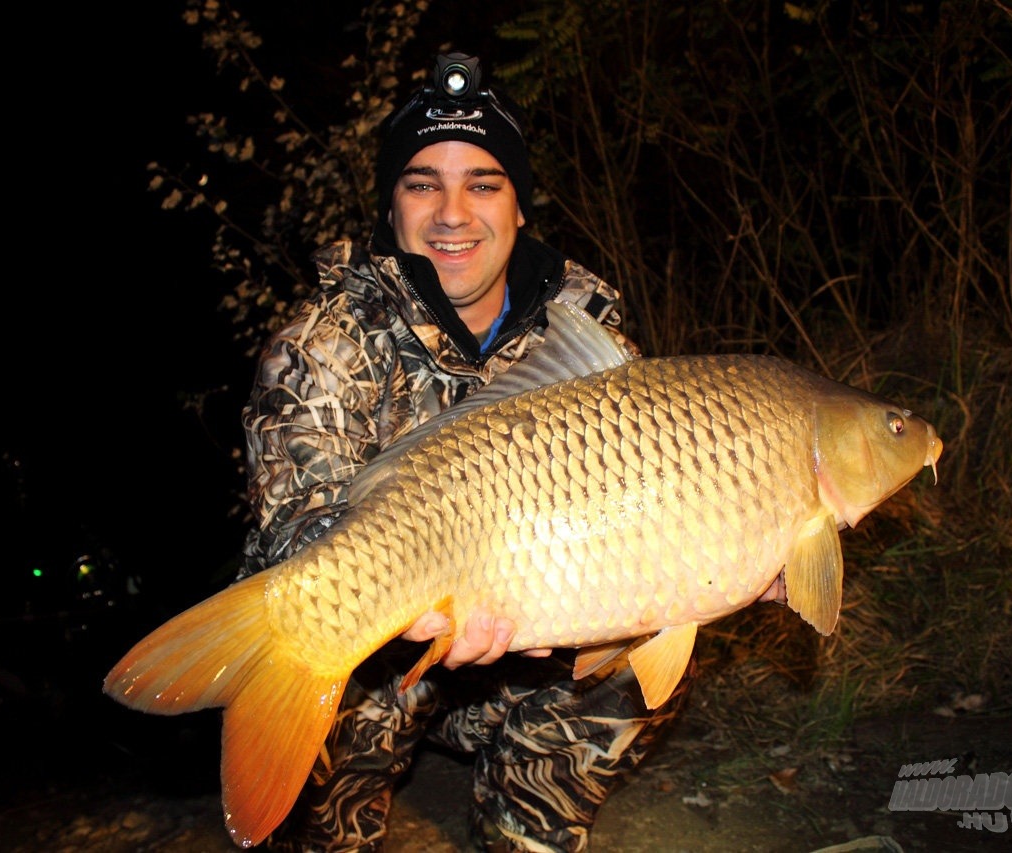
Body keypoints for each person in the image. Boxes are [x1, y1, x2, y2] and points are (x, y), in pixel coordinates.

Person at [240, 51, 694, 853]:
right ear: (391, 204)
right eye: (422, 183)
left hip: (531, 644)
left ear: (520, 205)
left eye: (483, 183)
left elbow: (653, 512)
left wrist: (737, 548)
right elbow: (297, 532)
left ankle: (529, 824)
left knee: (648, 643)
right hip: (388, 661)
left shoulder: (590, 340)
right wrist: (428, 591)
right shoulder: (320, 348)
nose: (453, 212)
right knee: (329, 653)